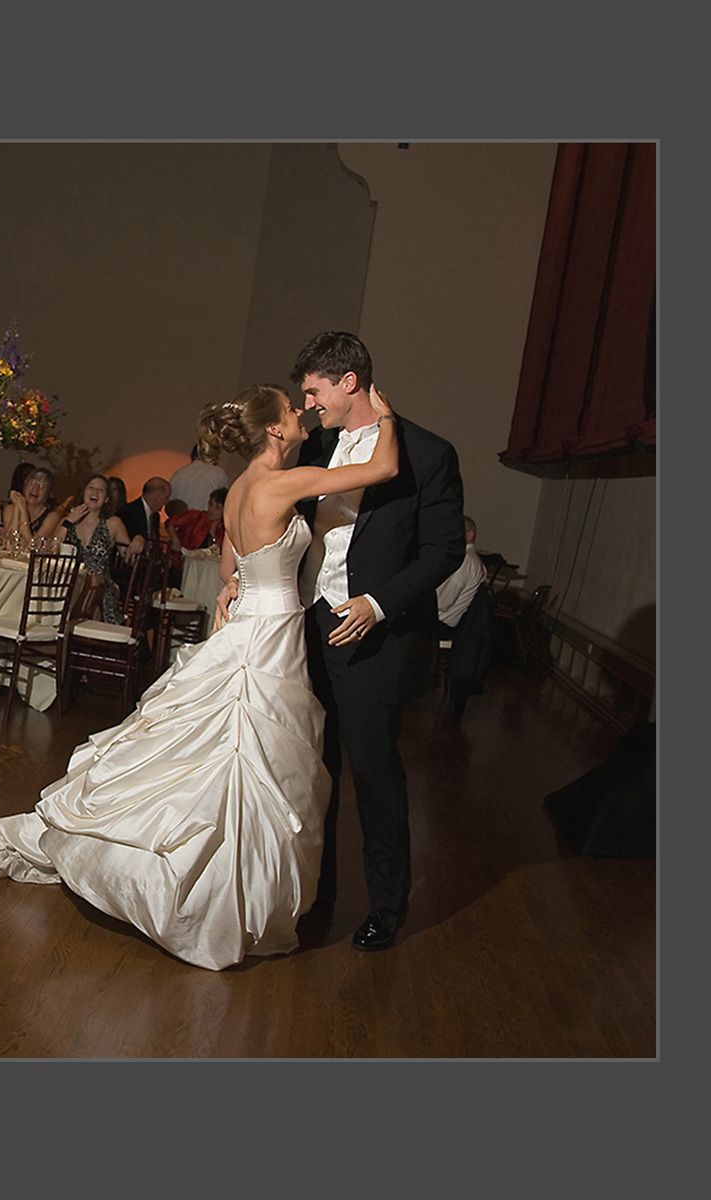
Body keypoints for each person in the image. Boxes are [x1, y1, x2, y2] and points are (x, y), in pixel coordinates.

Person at [0, 383, 401, 970]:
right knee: (245, 759)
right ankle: (214, 903)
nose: (302, 411)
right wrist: (383, 415)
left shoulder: (241, 493)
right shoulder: (280, 483)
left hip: (251, 622)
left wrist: (234, 588)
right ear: (276, 431)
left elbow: (232, 566)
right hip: (270, 636)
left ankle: (203, 879)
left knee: (228, 756)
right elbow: (382, 468)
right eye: (291, 408)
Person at [274, 330, 465, 952]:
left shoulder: (429, 453)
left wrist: (378, 604)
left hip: (372, 640)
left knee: (374, 770)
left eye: (314, 390)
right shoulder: (318, 445)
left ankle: (386, 904)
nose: (307, 405)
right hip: (306, 625)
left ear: (348, 382)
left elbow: (442, 550)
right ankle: (316, 894)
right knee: (313, 769)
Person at [59, 474, 131, 624]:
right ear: (83, 492)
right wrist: (68, 521)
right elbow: (51, 548)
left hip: (102, 586)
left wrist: (139, 539)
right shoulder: (68, 521)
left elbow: (130, 558)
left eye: (101, 490)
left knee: (94, 581)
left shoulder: (113, 523)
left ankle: (71, 623)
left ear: (106, 499)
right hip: (71, 582)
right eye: (91, 487)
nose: (95, 492)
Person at [436, 516, 487, 632]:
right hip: (440, 622)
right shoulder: (472, 560)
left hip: (439, 624)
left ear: (469, 535)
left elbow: (442, 602)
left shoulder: (465, 560)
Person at [1, 464, 66, 542]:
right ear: (25, 486)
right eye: (32, 483)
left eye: (42, 487)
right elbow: (9, 542)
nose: (35, 489)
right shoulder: (10, 509)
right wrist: (17, 509)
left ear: (46, 495)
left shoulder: (52, 517)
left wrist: (23, 510)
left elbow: (31, 547)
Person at [117, 476, 170, 559]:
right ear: (157, 495)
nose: (166, 502)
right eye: (166, 497)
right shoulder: (127, 512)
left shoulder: (155, 516)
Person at [168, 443, 230, 513]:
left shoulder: (177, 475)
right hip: (207, 520)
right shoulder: (219, 473)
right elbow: (224, 502)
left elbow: (170, 505)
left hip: (181, 521)